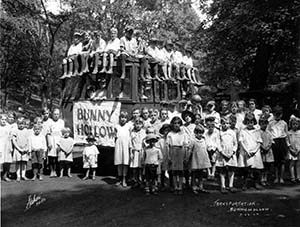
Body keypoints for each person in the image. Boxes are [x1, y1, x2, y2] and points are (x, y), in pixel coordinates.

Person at [238, 113, 264, 190]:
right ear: (246, 122)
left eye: (251, 122)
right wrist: (247, 151)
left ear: (254, 122)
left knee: (256, 168)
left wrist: (255, 150)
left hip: (255, 151)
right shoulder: (243, 131)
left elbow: (259, 142)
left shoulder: (257, 131)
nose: (250, 124)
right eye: (248, 122)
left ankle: (256, 183)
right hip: (246, 151)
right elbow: (241, 142)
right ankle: (245, 183)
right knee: (246, 169)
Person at [166, 116, 189, 195]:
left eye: (178, 123)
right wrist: (169, 156)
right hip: (173, 151)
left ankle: (180, 186)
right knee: (174, 171)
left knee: (180, 171)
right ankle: (175, 186)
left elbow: (186, 145)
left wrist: (186, 156)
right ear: (172, 124)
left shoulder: (183, 134)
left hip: (181, 151)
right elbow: (168, 146)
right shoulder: (170, 134)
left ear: (180, 124)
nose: (176, 125)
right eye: (175, 123)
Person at [216, 117, 238, 193]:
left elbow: (235, 143)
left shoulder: (232, 132)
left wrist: (233, 152)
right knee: (222, 170)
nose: (225, 125)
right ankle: (223, 186)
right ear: (221, 124)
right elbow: (218, 143)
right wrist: (222, 152)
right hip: (223, 154)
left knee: (231, 170)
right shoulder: (219, 133)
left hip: (231, 154)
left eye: (227, 123)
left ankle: (231, 185)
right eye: (224, 123)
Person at [267, 106, 288, 184]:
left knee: (282, 161)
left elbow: (286, 134)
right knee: (276, 161)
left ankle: (281, 177)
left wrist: (287, 144)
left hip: (282, 141)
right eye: (276, 114)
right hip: (274, 141)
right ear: (273, 114)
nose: (278, 116)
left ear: (281, 114)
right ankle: (276, 177)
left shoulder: (284, 123)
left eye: (279, 114)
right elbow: (268, 133)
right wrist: (271, 142)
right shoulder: (270, 123)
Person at [189, 125, 211, 194]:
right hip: (195, 159)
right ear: (195, 133)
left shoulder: (203, 140)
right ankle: (194, 186)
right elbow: (190, 150)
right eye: (198, 133)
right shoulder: (193, 140)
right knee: (194, 174)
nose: (200, 134)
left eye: (201, 133)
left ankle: (201, 186)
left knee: (201, 174)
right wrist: (187, 158)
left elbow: (205, 149)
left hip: (202, 159)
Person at [119, 25, 138, 97]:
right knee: (123, 54)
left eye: (131, 32)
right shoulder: (122, 39)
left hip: (133, 56)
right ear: (126, 32)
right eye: (129, 32)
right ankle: (123, 72)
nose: (130, 33)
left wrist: (135, 54)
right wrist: (129, 53)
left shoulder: (134, 40)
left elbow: (136, 49)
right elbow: (122, 49)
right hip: (126, 54)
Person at [47, 108, 65, 177]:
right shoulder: (50, 122)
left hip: (59, 140)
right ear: (52, 114)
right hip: (52, 140)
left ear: (59, 114)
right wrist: (49, 143)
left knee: (58, 157)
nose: (56, 116)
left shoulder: (61, 122)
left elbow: (63, 133)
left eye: (57, 114)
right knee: (51, 157)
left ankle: (57, 171)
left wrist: (61, 143)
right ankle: (52, 171)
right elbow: (48, 133)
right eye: (55, 114)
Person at [114, 111, 131, 187]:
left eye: (125, 118)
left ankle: (124, 179)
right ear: (119, 118)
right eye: (122, 117)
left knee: (125, 163)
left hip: (126, 146)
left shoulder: (129, 126)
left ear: (127, 119)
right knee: (119, 163)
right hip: (118, 146)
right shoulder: (116, 126)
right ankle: (119, 178)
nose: (123, 119)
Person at [181, 110, 196, 188]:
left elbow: (195, 136)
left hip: (193, 147)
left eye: (189, 116)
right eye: (186, 116)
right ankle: (186, 182)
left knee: (193, 166)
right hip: (185, 147)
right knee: (185, 165)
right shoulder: (182, 127)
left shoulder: (194, 126)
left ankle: (193, 183)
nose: (187, 118)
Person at [130, 117, 146, 187]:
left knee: (141, 167)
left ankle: (141, 180)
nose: (138, 125)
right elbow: (130, 143)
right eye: (137, 124)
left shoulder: (144, 132)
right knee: (135, 168)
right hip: (135, 151)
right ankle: (135, 180)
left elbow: (145, 143)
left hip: (141, 151)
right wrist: (131, 152)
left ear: (142, 125)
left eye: (140, 124)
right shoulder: (132, 132)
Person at [12, 117, 30, 181]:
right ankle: (18, 176)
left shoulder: (26, 131)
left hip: (25, 149)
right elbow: (14, 141)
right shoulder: (15, 131)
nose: (21, 125)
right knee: (18, 162)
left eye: (22, 124)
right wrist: (19, 148)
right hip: (18, 149)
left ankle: (23, 175)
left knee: (24, 163)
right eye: (19, 124)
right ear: (17, 124)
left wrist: (27, 148)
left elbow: (28, 140)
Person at [259, 117, 274, 186]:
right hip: (262, 151)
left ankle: (265, 179)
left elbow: (271, 141)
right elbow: (258, 141)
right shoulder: (258, 132)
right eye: (262, 124)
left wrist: (268, 147)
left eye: (265, 124)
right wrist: (262, 147)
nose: (264, 125)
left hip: (268, 151)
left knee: (267, 166)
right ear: (260, 124)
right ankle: (261, 179)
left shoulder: (269, 133)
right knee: (262, 166)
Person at [157, 124, 172, 191]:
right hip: (163, 157)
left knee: (170, 171)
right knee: (163, 171)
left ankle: (171, 185)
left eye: (168, 131)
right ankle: (162, 184)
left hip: (170, 157)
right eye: (165, 131)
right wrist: (160, 157)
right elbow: (158, 148)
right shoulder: (160, 140)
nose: (167, 132)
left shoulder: (171, 139)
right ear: (163, 131)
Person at [0, 114, 13, 181]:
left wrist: (10, 147)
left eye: (5, 119)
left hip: (7, 145)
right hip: (0, 145)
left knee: (7, 161)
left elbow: (10, 137)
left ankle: (5, 175)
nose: (4, 121)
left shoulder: (8, 127)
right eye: (2, 119)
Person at [287, 117, 300, 183]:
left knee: (298, 164)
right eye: (293, 124)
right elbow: (287, 142)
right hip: (291, 150)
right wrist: (291, 149)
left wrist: (298, 150)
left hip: (298, 150)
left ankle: (298, 177)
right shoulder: (289, 133)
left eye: (296, 124)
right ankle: (292, 177)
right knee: (292, 163)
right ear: (291, 125)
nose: (295, 125)